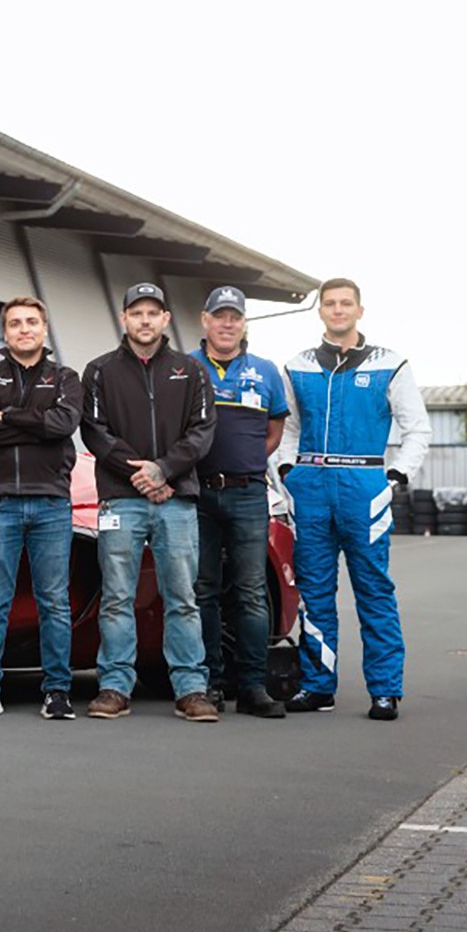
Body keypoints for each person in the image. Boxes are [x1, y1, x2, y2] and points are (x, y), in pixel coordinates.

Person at [272, 278, 430, 721]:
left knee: (374, 590)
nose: (338, 310)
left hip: (365, 487)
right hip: (311, 487)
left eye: (346, 303)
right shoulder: (296, 366)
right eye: (330, 303)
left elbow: (417, 428)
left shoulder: (391, 364)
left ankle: (385, 690)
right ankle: (319, 686)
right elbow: (287, 427)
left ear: (360, 310)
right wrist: (288, 471)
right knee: (315, 593)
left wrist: (394, 477)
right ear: (319, 311)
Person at [79, 283, 218, 722]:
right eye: (136, 312)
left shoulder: (191, 371)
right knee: (117, 596)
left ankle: (191, 688)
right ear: (124, 319)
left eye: (152, 313)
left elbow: (202, 431)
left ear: (165, 319)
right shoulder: (99, 371)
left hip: (176, 500)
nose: (144, 320)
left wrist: (164, 470)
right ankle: (114, 687)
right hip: (121, 499)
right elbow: (94, 432)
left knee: (182, 597)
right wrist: (142, 475)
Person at [0, 297, 82, 720]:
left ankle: (57, 692)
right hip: (0, 502)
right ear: (4, 333)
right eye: (14, 323)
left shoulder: (65, 378)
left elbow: (63, 426)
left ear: (44, 328)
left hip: (50, 503)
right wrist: (33, 423)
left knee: (54, 601)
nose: (23, 329)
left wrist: (7, 415)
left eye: (31, 322)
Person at [188, 286, 290, 719]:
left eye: (235, 316)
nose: (227, 323)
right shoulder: (185, 368)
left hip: (249, 492)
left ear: (244, 323)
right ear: (205, 320)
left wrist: (245, 463)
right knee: (203, 591)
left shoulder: (265, 371)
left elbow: (274, 431)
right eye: (220, 316)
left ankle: (252, 686)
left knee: (251, 592)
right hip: (196, 492)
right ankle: (209, 683)